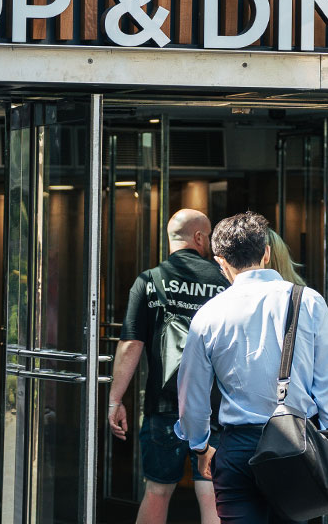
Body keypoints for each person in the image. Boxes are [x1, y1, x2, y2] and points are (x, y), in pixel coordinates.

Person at [175, 211, 328, 524]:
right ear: (267, 252)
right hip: (298, 446)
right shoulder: (307, 301)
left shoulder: (209, 314)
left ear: (220, 260)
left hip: (238, 448)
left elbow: (192, 394)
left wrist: (200, 445)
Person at [108, 208, 229, 524]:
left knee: (158, 491)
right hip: (215, 406)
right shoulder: (226, 283)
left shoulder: (149, 281)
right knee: (211, 492)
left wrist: (115, 400)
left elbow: (131, 344)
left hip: (164, 405)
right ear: (200, 237)